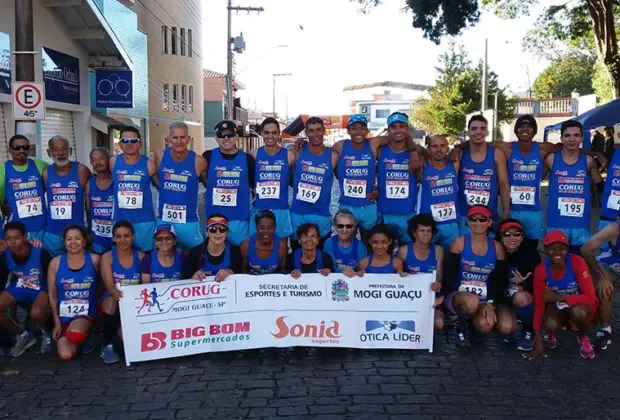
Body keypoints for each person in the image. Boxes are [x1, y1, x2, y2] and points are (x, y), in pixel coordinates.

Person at [442, 205, 509, 348]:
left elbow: (499, 280)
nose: (478, 223)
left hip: (484, 298)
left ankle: (472, 325)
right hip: (458, 296)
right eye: (473, 219)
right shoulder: (459, 243)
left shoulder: (497, 248)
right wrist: (443, 295)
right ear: (468, 222)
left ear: (489, 222)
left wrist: (491, 302)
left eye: (482, 219)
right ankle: (460, 329)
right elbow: (449, 274)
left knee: (486, 326)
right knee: (471, 301)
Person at [525, 231, 597, 360]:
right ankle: (552, 333)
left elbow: (590, 297)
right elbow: (539, 305)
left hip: (578, 305)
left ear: (567, 249)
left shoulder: (578, 262)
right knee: (550, 323)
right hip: (557, 307)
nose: (557, 252)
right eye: (552, 248)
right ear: (546, 250)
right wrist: (538, 340)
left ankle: (583, 336)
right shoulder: (541, 270)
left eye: (562, 248)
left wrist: (558, 297)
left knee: (578, 312)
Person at [545, 120, 603, 255]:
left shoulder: (588, 161)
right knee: (557, 265)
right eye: (567, 135)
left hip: (580, 225)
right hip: (556, 223)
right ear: (561, 138)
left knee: (579, 265)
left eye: (576, 135)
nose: (572, 139)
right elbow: (535, 181)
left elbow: (601, 187)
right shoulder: (551, 159)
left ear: (581, 138)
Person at [47, 225, 100, 360]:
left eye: (77, 238)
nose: (73, 243)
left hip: (86, 314)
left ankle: (85, 334)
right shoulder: (55, 263)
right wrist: (57, 322)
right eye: (69, 239)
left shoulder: (94, 260)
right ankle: (80, 341)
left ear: (84, 241)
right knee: (65, 355)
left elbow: (103, 286)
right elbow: (52, 295)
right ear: (64, 242)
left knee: (75, 333)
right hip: (65, 317)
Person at [0, 221, 52, 356]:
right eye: (8, 239)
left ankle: (47, 333)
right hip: (20, 287)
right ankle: (23, 335)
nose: (12, 242)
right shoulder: (6, 255)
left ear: (25, 237)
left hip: (40, 288)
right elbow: (2, 279)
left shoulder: (40, 252)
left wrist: (48, 295)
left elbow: (52, 277)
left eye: (16, 238)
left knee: (36, 314)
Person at [155, 121, 207, 250]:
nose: (179, 141)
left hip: (188, 221)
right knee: (163, 256)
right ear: (168, 139)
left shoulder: (199, 161)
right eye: (175, 137)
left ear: (188, 139)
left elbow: (210, 186)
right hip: (165, 219)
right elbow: (153, 176)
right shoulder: (160, 155)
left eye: (182, 137)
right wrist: (163, 189)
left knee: (198, 256)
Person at [456, 115, 510, 233]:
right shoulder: (460, 155)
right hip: (464, 216)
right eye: (474, 128)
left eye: (482, 128)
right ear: (468, 132)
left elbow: (504, 184)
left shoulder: (496, 154)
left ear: (487, 132)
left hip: (489, 217)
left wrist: (506, 212)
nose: (478, 132)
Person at [203, 121, 254, 246]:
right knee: (214, 258)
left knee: (240, 257)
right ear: (216, 138)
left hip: (239, 220)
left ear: (236, 137)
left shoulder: (247, 159)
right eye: (221, 135)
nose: (226, 138)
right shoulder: (208, 156)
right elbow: (201, 176)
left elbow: (254, 185)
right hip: (215, 219)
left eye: (230, 134)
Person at [100, 220, 144, 364]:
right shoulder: (108, 257)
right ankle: (107, 344)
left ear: (133, 236)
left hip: (134, 304)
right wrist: (117, 294)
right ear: (113, 238)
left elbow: (145, 285)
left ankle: (121, 332)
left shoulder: (142, 257)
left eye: (126, 236)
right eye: (118, 236)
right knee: (111, 303)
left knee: (130, 347)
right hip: (115, 300)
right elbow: (109, 286)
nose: (123, 240)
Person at [111, 126, 159, 253]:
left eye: (133, 140)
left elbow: (161, 188)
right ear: (120, 143)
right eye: (125, 140)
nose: (129, 144)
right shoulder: (113, 161)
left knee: (145, 258)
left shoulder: (149, 164)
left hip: (144, 221)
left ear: (140, 143)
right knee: (122, 258)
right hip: (121, 219)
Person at [290, 117, 335, 250]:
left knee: (320, 257)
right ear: (306, 133)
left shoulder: (333, 156)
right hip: (298, 214)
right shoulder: (297, 152)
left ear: (324, 131)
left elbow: (346, 177)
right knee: (297, 255)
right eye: (311, 131)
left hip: (321, 215)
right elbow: (288, 179)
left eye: (318, 130)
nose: (315, 134)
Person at [42, 136, 92, 256]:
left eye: (64, 149)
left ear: (70, 151)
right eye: (55, 149)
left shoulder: (81, 170)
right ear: (49, 152)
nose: (60, 153)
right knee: (54, 269)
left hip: (77, 233)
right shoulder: (46, 172)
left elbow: (92, 200)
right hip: (52, 234)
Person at [496, 219, 541, 351]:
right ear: (500, 236)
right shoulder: (495, 251)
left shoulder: (531, 253)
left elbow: (539, 283)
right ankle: (511, 328)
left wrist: (525, 283)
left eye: (516, 234)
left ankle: (528, 329)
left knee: (521, 297)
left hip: (524, 296)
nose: (512, 238)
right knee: (506, 327)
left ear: (522, 237)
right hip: (503, 298)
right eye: (507, 234)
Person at [249, 117, 295, 238]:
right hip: (259, 208)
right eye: (267, 132)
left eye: (274, 132)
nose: (271, 136)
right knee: (257, 248)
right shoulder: (254, 154)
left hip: (281, 209)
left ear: (279, 134)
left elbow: (295, 179)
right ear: (262, 133)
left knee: (282, 249)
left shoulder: (289, 155)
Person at [332, 114, 379, 233]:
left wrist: (414, 151)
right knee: (346, 241)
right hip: (347, 204)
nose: (358, 131)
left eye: (362, 128)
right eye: (354, 128)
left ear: (367, 130)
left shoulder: (373, 144)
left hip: (368, 205)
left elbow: (395, 138)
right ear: (348, 131)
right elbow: (325, 160)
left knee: (369, 242)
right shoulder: (340, 145)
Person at [397, 214, 444, 331]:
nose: (426, 234)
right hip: (408, 298)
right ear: (414, 233)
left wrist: (439, 288)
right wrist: (401, 276)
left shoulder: (438, 250)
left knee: (438, 323)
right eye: (422, 231)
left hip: (431, 298)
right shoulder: (403, 251)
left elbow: (440, 278)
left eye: (429, 231)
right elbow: (395, 277)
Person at [580, 213, 620, 350]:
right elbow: (585, 249)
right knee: (604, 288)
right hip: (614, 264)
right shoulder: (613, 229)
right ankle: (605, 330)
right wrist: (600, 277)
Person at [377, 113, 418, 242]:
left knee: (407, 254)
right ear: (388, 130)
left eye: (401, 126)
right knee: (382, 253)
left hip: (408, 213)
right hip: (384, 212)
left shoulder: (418, 152)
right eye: (393, 127)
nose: (398, 130)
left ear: (408, 129)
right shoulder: (379, 150)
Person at [1, 134, 47, 240]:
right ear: (9, 150)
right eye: (17, 148)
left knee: (39, 255)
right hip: (15, 230)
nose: (21, 151)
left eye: (25, 147)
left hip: (41, 226)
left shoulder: (40, 165)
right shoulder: (3, 169)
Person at [417, 135, 460, 248]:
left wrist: (458, 148)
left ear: (447, 148)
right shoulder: (422, 166)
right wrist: (421, 156)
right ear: (429, 149)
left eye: (442, 146)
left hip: (450, 223)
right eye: (434, 146)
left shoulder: (455, 164)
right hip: (428, 224)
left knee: (452, 257)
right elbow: (416, 148)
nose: (439, 149)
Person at [182, 214, 242, 282]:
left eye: (222, 229)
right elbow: (185, 278)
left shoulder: (235, 252)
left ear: (227, 233)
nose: (218, 233)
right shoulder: (196, 252)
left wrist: (231, 273)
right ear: (207, 232)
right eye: (213, 230)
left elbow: (242, 276)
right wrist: (193, 277)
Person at [240, 210, 287, 274]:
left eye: (270, 227)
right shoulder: (246, 244)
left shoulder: (281, 246)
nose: (266, 231)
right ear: (256, 227)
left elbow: (282, 269)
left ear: (275, 227)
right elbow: (244, 269)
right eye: (261, 227)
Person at [86, 147, 114, 254]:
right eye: (94, 160)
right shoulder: (89, 183)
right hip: (97, 239)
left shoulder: (117, 181)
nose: (98, 162)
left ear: (108, 159)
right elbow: (88, 210)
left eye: (101, 158)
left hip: (116, 238)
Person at [323, 209, 367, 276]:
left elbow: (361, 270)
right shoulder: (329, 243)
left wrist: (359, 273)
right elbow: (330, 268)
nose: (344, 230)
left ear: (353, 227)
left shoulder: (361, 246)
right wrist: (343, 271)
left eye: (348, 226)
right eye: (340, 226)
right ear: (335, 226)